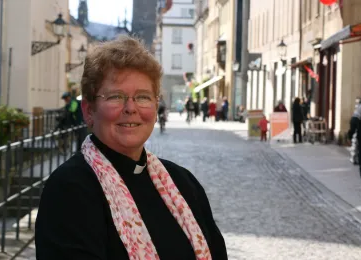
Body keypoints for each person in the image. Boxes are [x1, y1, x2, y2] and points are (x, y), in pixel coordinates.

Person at [35, 35, 228, 260]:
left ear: (156, 108)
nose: (131, 108)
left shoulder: (183, 183)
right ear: (89, 110)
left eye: (143, 97)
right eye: (116, 96)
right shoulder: (69, 190)